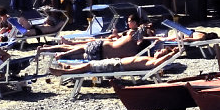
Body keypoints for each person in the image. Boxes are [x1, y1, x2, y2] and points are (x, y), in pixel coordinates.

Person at [39, 11, 148, 61]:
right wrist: (115, 35)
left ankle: (50, 51)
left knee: (76, 51)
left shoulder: (134, 35)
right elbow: (116, 40)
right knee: (75, 49)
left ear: (135, 22)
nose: (128, 23)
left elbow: (143, 32)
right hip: (101, 50)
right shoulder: (129, 35)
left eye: (130, 22)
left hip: (101, 52)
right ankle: (47, 49)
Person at [49, 46, 180, 76]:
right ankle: (67, 68)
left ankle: (64, 73)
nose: (157, 51)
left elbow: (158, 63)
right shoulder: (150, 58)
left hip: (117, 66)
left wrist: (172, 53)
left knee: (89, 66)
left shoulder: (152, 62)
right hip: (116, 62)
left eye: (160, 52)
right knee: (89, 65)